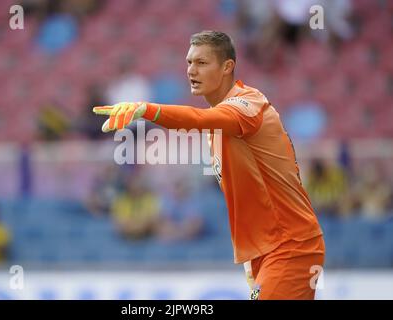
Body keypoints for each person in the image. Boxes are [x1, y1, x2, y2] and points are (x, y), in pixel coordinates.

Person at [93, 31, 324, 300]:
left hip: (290, 246)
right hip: (267, 251)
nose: (191, 70)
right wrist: (252, 257)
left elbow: (197, 120)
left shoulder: (248, 103)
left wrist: (147, 110)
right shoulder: (218, 129)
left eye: (202, 63)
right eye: (189, 62)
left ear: (227, 67)